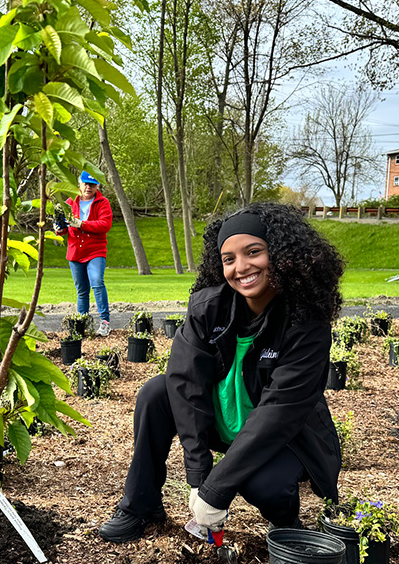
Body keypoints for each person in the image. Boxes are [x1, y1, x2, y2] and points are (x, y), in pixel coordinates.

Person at [99, 202, 344, 543]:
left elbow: (280, 412)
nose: (241, 267)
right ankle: (141, 504)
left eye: (253, 252)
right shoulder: (207, 307)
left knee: (264, 485)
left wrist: (215, 491)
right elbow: (185, 382)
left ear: (282, 254)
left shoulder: (305, 322)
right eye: (229, 259)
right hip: (223, 420)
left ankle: (286, 524)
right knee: (156, 393)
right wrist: (200, 478)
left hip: (284, 433)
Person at [56, 171, 113, 336]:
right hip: (75, 252)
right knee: (82, 290)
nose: (89, 187)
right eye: (86, 184)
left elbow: (104, 225)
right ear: (79, 185)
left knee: (97, 282)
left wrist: (82, 224)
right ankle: (82, 322)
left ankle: (105, 322)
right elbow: (64, 227)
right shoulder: (69, 202)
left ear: (97, 187)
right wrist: (59, 229)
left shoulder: (103, 202)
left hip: (96, 250)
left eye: (92, 184)